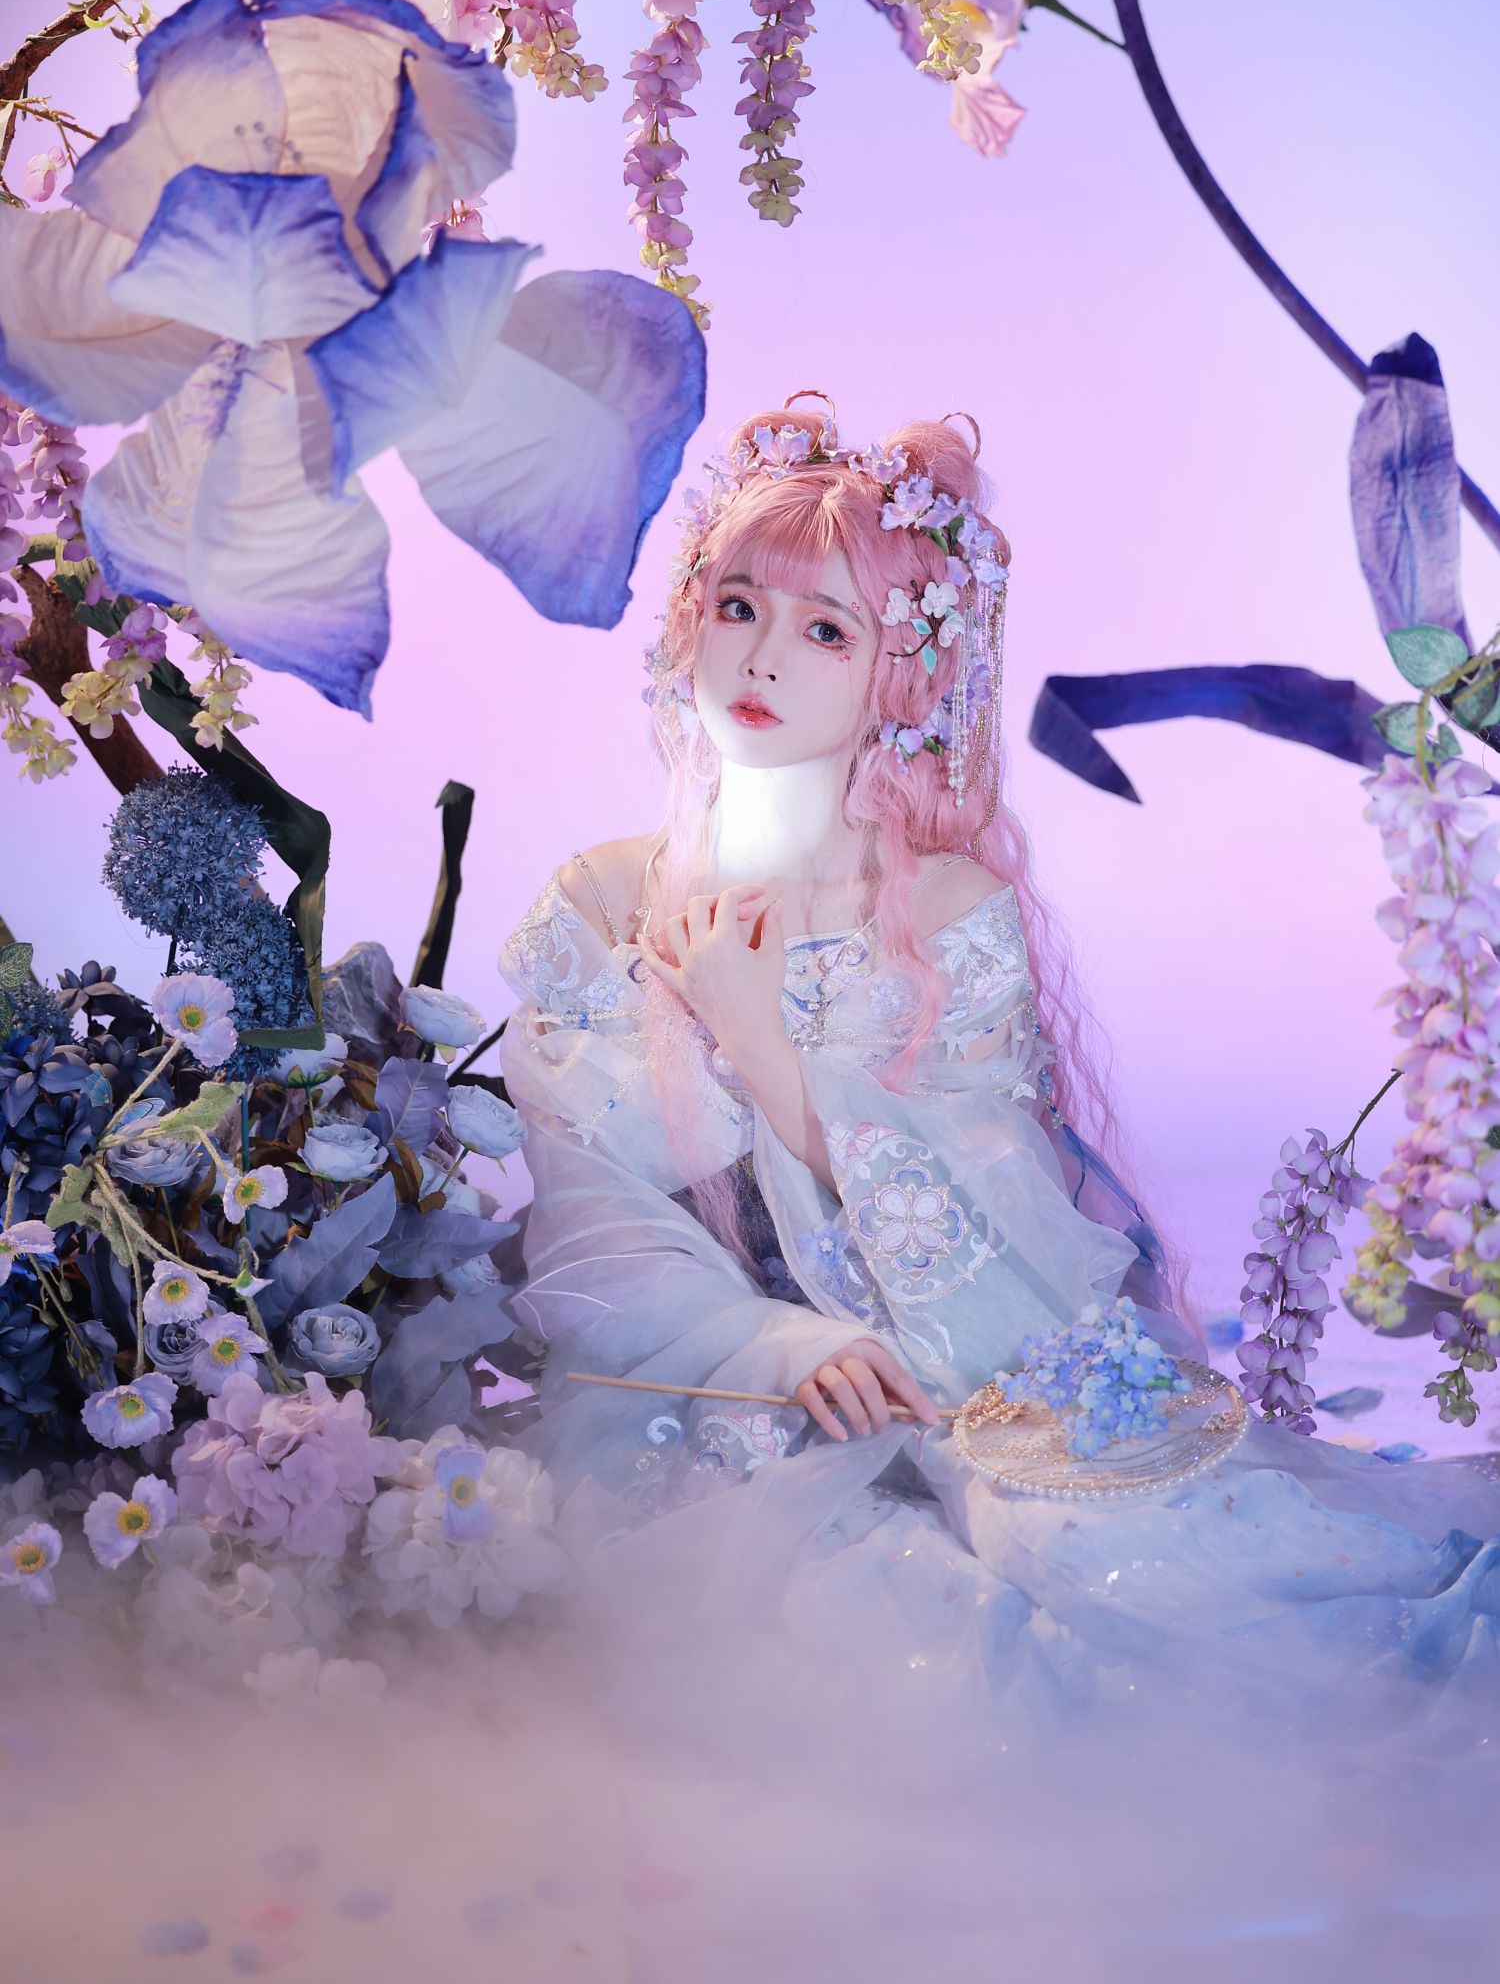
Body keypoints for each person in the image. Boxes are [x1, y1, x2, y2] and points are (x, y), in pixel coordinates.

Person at [496, 403, 1500, 1731]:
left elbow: (993, 1227)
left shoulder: (949, 911)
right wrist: (775, 1341)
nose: (763, 656)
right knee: (827, 1620)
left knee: (1098, 1563)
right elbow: (590, 1216)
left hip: (963, 1370)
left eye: (826, 629)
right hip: (712, 1384)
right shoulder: (603, 900)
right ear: (689, 619)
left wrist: (755, 1033)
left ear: (899, 674)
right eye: (738, 605)